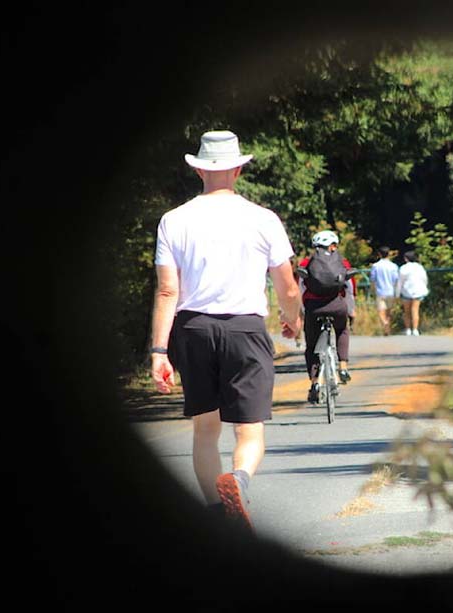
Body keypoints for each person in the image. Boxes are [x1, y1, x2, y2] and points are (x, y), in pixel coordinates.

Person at [149, 130, 302, 529]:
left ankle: (217, 517)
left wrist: (158, 352)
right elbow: (286, 285)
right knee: (249, 430)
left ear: (199, 170)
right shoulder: (262, 219)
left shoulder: (173, 220)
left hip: (193, 329)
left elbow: (168, 290)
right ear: (238, 169)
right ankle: (237, 480)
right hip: (245, 329)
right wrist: (293, 319)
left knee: (205, 429)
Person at [297, 230, 355, 402]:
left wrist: (302, 310)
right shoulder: (342, 262)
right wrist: (351, 310)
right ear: (334, 245)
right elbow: (350, 289)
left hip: (313, 309)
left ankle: (315, 382)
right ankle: (343, 367)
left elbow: (300, 289)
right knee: (342, 330)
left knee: (311, 345)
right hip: (336, 306)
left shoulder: (306, 263)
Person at [396, 250, 429, 336]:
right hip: (417, 291)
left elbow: (400, 281)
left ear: (406, 259)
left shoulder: (403, 268)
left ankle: (408, 329)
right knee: (415, 310)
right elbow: (424, 279)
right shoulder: (419, 267)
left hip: (406, 291)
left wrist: (397, 293)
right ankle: (415, 329)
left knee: (406, 311)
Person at [368, 246, 400, 335]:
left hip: (380, 291)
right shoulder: (393, 266)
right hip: (391, 291)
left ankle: (384, 323)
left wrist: (372, 289)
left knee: (381, 311)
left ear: (379, 254)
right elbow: (396, 279)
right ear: (388, 254)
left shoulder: (376, 266)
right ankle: (387, 328)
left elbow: (373, 279)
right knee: (389, 311)